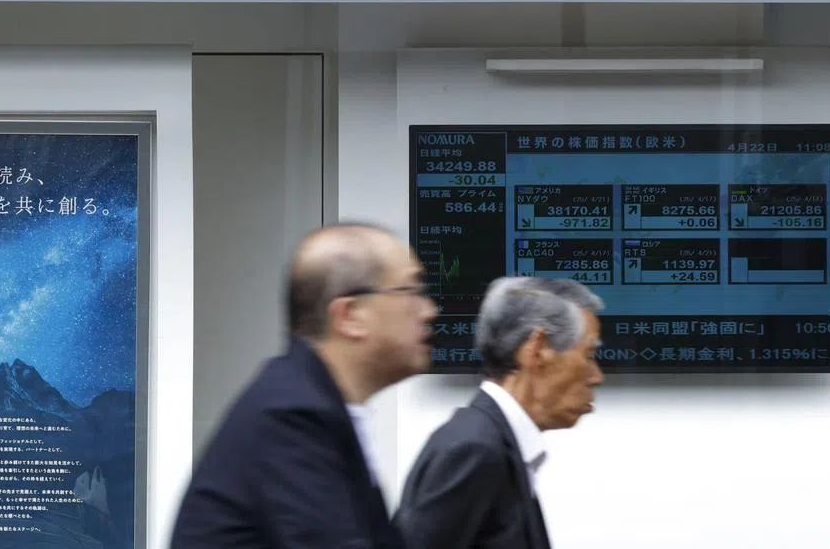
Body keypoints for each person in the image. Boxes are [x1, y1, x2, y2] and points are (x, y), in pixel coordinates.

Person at [170, 222, 438, 549]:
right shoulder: (290, 416)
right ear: (350, 316)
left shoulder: (315, 404)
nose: (429, 311)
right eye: (411, 292)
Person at [393, 276, 604, 549]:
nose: (596, 376)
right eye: (588, 355)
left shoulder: (496, 444)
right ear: (537, 349)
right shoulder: (474, 450)